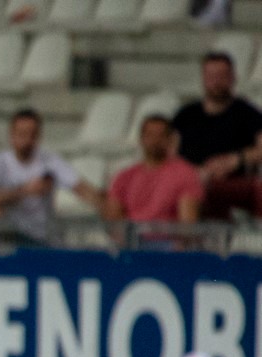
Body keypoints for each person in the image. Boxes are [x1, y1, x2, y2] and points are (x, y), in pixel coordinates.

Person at [0, 108, 103, 246]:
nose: (27, 140)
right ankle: (3, 251)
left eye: (32, 135)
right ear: (12, 135)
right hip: (9, 235)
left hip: (40, 238)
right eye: (22, 134)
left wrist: (102, 204)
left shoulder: (50, 162)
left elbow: (82, 188)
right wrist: (24, 192)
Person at [172, 52, 262, 220]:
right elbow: (170, 154)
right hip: (190, 181)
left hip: (232, 183)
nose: (216, 82)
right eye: (211, 76)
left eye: (222, 76)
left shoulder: (247, 114)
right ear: (203, 78)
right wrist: (193, 173)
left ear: (233, 78)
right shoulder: (185, 115)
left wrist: (236, 159)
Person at [103, 114, 204, 248]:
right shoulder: (124, 176)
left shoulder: (185, 173)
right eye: (150, 135)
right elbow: (114, 220)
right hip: (132, 244)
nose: (155, 141)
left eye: (161, 135)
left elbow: (187, 225)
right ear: (141, 138)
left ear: (169, 139)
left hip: (168, 246)